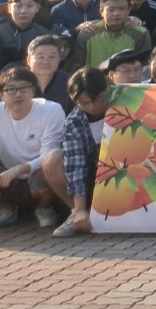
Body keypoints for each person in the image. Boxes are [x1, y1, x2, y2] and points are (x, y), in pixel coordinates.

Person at [0, 67, 65, 229]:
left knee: (45, 178)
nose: (18, 94)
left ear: (33, 90)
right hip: (7, 175)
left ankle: (44, 208)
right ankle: (6, 210)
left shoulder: (52, 110)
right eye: (11, 89)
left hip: (38, 172)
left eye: (24, 88)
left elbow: (48, 155)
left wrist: (17, 170)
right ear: (1, 94)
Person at [42, 67, 108, 237]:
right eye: (84, 103)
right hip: (92, 177)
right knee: (52, 160)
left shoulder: (125, 106)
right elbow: (76, 167)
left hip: (125, 174)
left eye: (97, 99)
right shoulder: (73, 122)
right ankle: (79, 214)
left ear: (105, 91)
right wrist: (80, 209)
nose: (92, 107)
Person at [0, 0, 59, 79]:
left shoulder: (43, 33)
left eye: (30, 6)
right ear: (9, 8)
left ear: (37, 8)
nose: (23, 11)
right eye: (18, 6)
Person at [67, 0, 149, 72]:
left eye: (121, 9)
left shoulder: (140, 33)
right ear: (101, 11)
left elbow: (145, 65)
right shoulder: (88, 32)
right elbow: (77, 67)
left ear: (128, 11)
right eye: (111, 9)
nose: (116, 13)